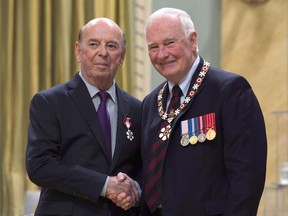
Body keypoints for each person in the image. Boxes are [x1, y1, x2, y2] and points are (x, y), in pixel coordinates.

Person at [140, 7, 267, 216]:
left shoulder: (229, 91)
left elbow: (247, 177)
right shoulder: (150, 103)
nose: (162, 54)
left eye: (170, 43)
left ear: (192, 40)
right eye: (153, 47)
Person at [26, 18, 142, 216]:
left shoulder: (137, 108)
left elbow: (142, 167)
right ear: (78, 51)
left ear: (122, 57)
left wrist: (135, 190)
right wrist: (105, 185)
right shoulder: (50, 102)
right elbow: (40, 165)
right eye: (93, 44)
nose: (102, 52)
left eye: (112, 46)